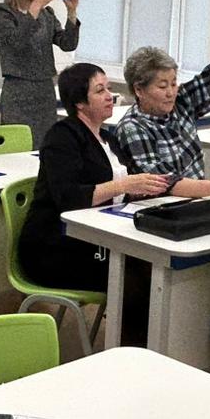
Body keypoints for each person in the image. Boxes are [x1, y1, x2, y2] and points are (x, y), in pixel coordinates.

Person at [19, 62, 168, 291]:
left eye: (109, 89)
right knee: (139, 275)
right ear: (79, 102)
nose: (110, 96)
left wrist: (140, 189)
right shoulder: (61, 137)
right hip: (56, 247)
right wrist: (123, 186)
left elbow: (125, 185)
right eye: (100, 91)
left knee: (153, 265)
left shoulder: (108, 138)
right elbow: (69, 198)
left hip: (100, 236)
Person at [114, 0, 210, 198]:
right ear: (139, 90)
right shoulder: (132, 127)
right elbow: (164, 182)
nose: (171, 92)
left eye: (173, 83)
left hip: (197, 201)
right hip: (159, 207)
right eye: (162, 86)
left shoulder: (180, 102)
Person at [0, 0, 80, 146]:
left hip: (44, 91)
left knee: (44, 145)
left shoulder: (47, 14)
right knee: (16, 145)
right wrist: (36, 7)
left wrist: (72, 13)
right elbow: (16, 43)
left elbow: (68, 44)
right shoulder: (3, 12)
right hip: (18, 90)